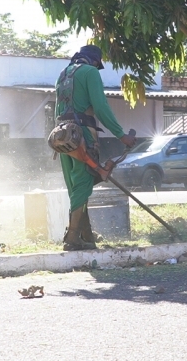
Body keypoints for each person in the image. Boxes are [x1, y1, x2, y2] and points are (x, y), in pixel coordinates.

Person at [55, 45, 136, 251]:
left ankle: (86, 235)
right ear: (94, 61)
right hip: (81, 134)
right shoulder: (90, 72)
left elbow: (57, 109)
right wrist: (121, 135)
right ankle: (72, 238)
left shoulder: (63, 74)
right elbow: (100, 107)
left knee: (76, 187)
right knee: (83, 183)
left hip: (61, 135)